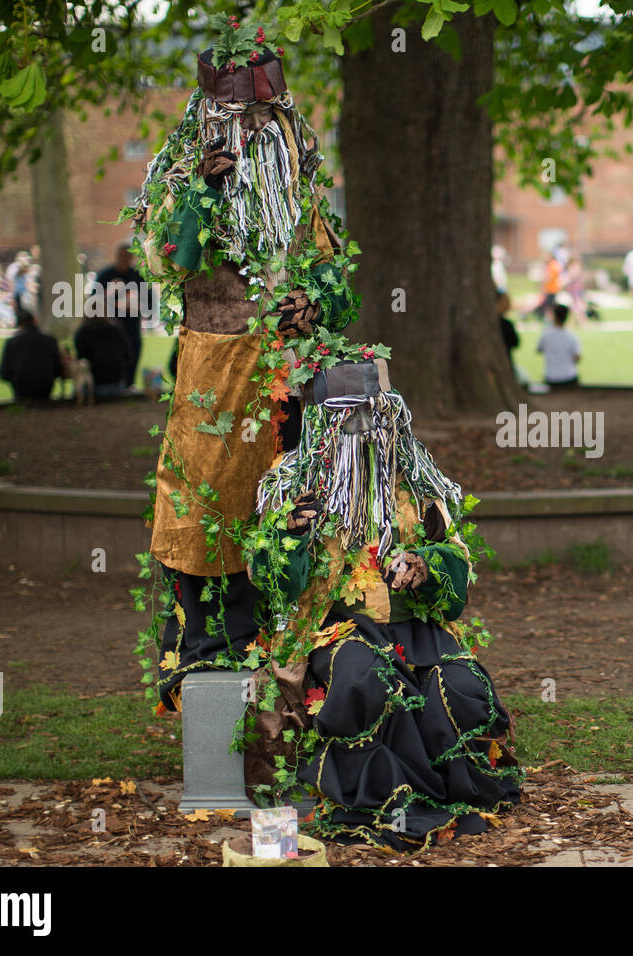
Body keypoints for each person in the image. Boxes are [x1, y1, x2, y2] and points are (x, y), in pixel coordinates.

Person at [125, 19, 519, 850]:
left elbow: (337, 288)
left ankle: (344, 694)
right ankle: (231, 719)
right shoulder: (183, 182)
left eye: (265, 122)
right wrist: (200, 183)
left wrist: (314, 305)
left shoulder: (303, 199)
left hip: (300, 387)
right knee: (216, 530)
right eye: (237, 120)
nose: (253, 135)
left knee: (320, 523)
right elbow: (174, 257)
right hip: (217, 383)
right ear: (208, 118)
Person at [95, 243, 149, 388]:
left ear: (131, 257)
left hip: (131, 323)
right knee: (113, 355)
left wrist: (134, 304)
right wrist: (110, 293)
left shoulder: (137, 276)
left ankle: (129, 384)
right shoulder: (105, 275)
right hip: (110, 326)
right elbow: (94, 302)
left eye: (126, 256)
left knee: (133, 351)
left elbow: (147, 303)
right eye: (120, 256)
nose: (123, 259)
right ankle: (113, 385)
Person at [0, 299, 62, 401]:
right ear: (35, 321)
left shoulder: (12, 343)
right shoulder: (50, 340)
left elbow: (4, 373)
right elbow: (58, 369)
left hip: (21, 389)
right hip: (45, 388)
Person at [73, 313, 132, 399]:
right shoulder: (117, 330)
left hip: (93, 388)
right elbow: (129, 357)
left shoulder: (82, 332)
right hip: (117, 385)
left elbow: (81, 360)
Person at [537, 303, 580, 387]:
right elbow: (577, 357)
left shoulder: (545, 334)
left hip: (551, 376)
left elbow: (539, 349)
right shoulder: (572, 336)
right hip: (569, 376)